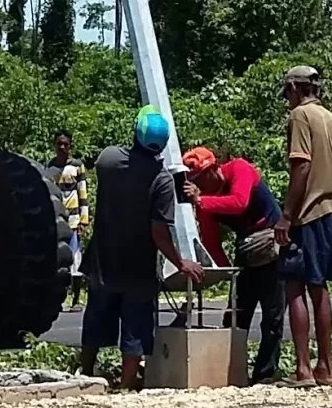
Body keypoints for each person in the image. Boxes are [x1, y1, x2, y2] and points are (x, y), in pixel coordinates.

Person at [79, 107, 204, 387]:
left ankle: (85, 375)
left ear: (135, 133)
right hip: (138, 267)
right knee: (135, 328)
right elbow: (159, 233)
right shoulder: (161, 181)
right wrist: (181, 261)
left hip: (104, 261)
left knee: (96, 318)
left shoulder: (108, 160)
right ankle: (126, 386)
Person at [182, 145, 285, 384]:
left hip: (272, 244)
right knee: (236, 315)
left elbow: (239, 201)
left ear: (212, 170)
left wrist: (202, 201)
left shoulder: (240, 169)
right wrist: (227, 272)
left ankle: (265, 374)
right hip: (246, 252)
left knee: (273, 316)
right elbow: (211, 241)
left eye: (200, 179)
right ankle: (233, 370)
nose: (200, 185)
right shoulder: (205, 203)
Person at [274, 66, 332, 386]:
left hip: (308, 215)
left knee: (294, 287)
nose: (287, 100)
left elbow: (301, 166)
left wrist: (287, 216)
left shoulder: (299, 117)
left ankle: (303, 369)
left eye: (287, 93)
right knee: (319, 289)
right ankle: (326, 367)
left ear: (294, 88)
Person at [50, 131, 88, 287]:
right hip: (56, 221)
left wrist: (83, 220)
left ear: (70, 146)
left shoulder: (77, 166)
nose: (62, 147)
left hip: (73, 221)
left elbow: (83, 193)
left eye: (65, 144)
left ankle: (76, 298)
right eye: (59, 144)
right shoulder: (50, 167)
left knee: (75, 260)